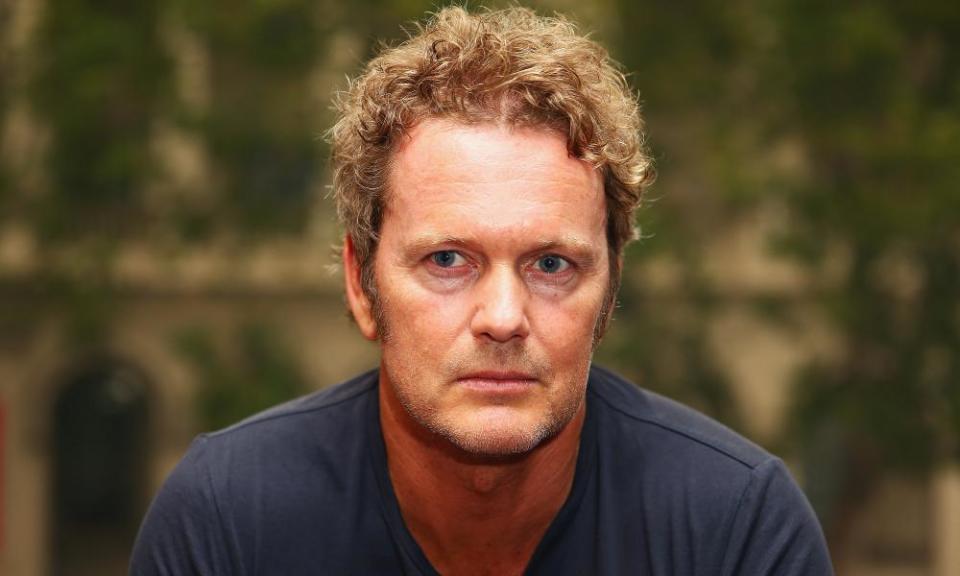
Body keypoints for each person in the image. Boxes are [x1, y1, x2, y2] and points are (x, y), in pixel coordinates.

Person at [130, 6, 833, 575]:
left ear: (611, 289)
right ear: (361, 284)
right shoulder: (227, 519)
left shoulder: (737, 527)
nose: (503, 318)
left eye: (552, 265)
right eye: (447, 260)